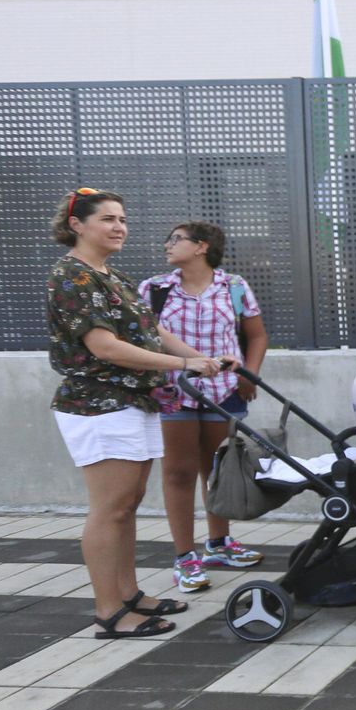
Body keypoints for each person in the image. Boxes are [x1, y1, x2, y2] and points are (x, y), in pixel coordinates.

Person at [47, 188, 228, 640]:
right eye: (108, 219)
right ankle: (109, 612)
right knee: (110, 509)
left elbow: (154, 332)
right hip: (97, 403)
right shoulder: (74, 277)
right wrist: (182, 365)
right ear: (76, 225)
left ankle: (129, 596)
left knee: (127, 505)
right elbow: (104, 347)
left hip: (131, 402)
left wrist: (202, 358)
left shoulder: (112, 276)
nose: (119, 227)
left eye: (122, 218)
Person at [137, 222, 268, 594]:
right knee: (178, 472)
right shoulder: (154, 289)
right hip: (172, 390)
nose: (167, 244)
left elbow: (256, 335)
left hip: (224, 390)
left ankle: (219, 544)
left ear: (201, 247)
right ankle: (184, 557)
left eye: (176, 239)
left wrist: (250, 374)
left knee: (217, 469)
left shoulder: (235, 287)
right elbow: (141, 339)